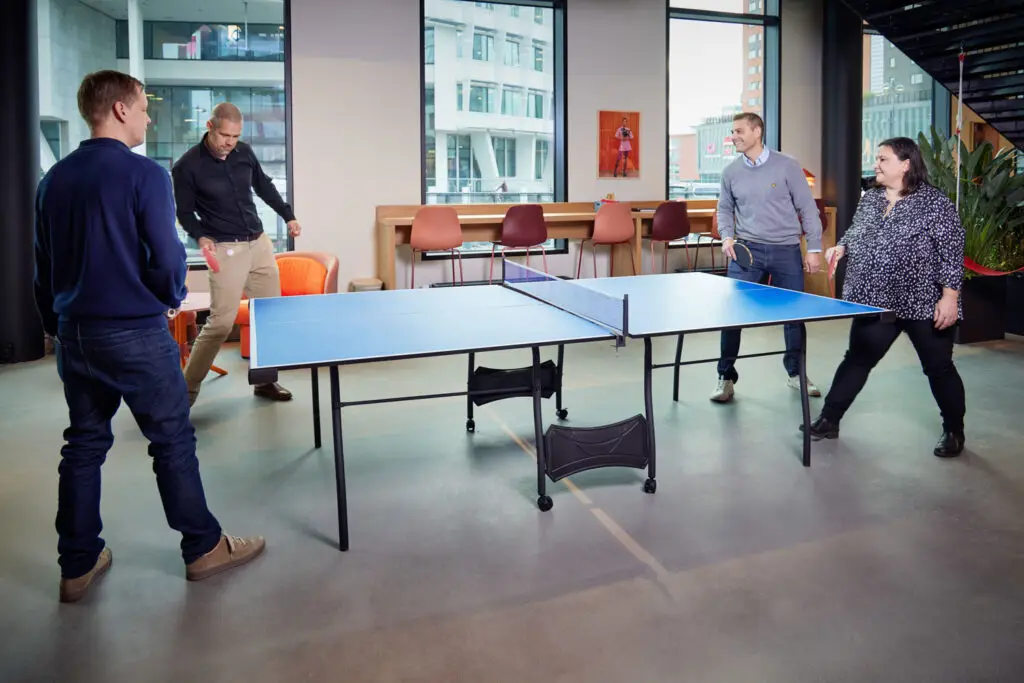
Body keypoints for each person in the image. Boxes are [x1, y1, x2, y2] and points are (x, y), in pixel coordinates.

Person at [33, 70, 265, 603]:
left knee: (84, 445)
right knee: (172, 441)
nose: (147, 117)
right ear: (118, 109)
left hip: (76, 334)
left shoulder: (54, 179)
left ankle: (78, 564)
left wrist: (58, 325)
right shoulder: (146, 176)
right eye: (142, 107)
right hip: (134, 331)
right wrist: (169, 294)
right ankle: (204, 548)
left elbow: (42, 269)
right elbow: (165, 259)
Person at [804, 137, 967, 457]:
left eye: (883, 159)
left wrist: (950, 297)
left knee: (939, 368)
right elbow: (857, 230)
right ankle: (829, 419)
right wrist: (842, 245)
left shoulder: (935, 203)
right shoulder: (871, 198)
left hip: (922, 301)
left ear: (905, 164)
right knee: (857, 359)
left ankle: (954, 430)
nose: (875, 165)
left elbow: (952, 252)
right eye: (876, 159)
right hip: (874, 299)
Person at [172, 101, 301, 406]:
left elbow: (264, 186)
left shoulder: (243, 153)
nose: (229, 142)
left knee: (269, 317)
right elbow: (185, 214)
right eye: (224, 136)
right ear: (210, 128)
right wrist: (200, 236)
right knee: (219, 323)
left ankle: (266, 381)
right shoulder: (187, 166)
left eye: (235, 136)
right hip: (226, 248)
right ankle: (185, 393)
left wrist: (288, 215)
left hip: (259, 244)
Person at [710, 112, 824, 403]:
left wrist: (813, 248)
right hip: (746, 252)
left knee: (793, 316)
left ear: (757, 131)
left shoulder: (787, 166)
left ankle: (796, 373)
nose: (733, 136)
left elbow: (808, 209)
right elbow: (724, 209)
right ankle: (725, 376)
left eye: (738, 131)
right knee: (732, 316)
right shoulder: (730, 172)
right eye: (732, 132)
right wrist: (727, 235)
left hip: (786, 250)